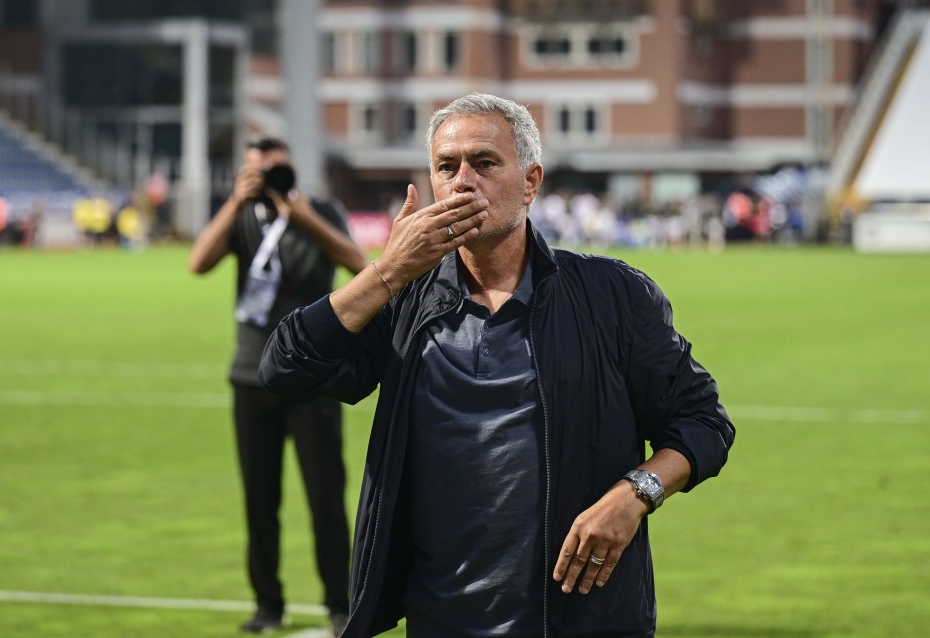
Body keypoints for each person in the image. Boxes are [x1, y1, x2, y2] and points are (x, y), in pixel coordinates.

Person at [259, 94, 735, 637]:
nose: (463, 180)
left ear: (530, 182)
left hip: (581, 616)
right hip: (442, 618)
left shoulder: (612, 296)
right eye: (446, 166)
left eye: (484, 163)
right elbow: (284, 369)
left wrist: (636, 494)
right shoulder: (403, 302)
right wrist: (387, 269)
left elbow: (704, 421)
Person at [188, 135, 366, 635]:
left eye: (277, 169)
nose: (270, 180)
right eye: (258, 172)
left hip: (313, 376)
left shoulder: (321, 209)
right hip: (250, 374)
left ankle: (340, 603)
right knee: (259, 498)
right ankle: (268, 604)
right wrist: (235, 201)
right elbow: (198, 262)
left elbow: (360, 265)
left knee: (326, 497)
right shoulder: (243, 216)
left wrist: (303, 215)